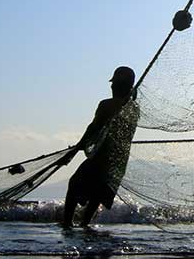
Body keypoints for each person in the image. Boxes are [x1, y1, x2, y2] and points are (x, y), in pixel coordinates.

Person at [60, 66, 141, 228]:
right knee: (97, 195)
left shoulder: (107, 105)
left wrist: (75, 149)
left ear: (119, 86)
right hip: (117, 162)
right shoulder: (134, 108)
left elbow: (93, 128)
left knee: (75, 184)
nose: (111, 86)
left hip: (102, 158)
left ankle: (67, 224)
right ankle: (84, 225)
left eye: (114, 83)